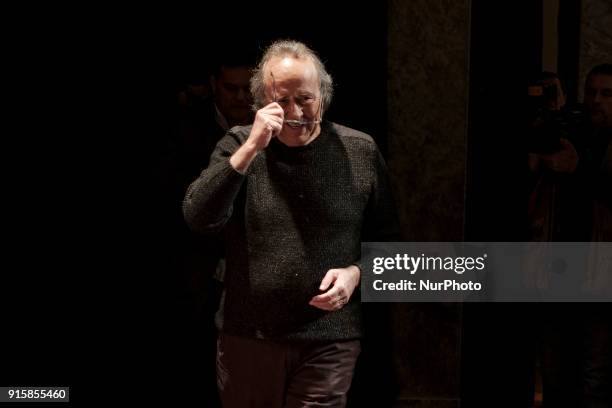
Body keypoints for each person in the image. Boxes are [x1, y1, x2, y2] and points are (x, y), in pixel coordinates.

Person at [183, 39, 399, 407]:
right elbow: (199, 217)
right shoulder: (237, 143)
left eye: (305, 98)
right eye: (280, 100)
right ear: (261, 102)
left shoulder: (359, 150)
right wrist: (251, 147)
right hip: (250, 335)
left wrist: (356, 273)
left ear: (323, 96)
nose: (294, 111)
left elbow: (391, 245)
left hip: (329, 337)